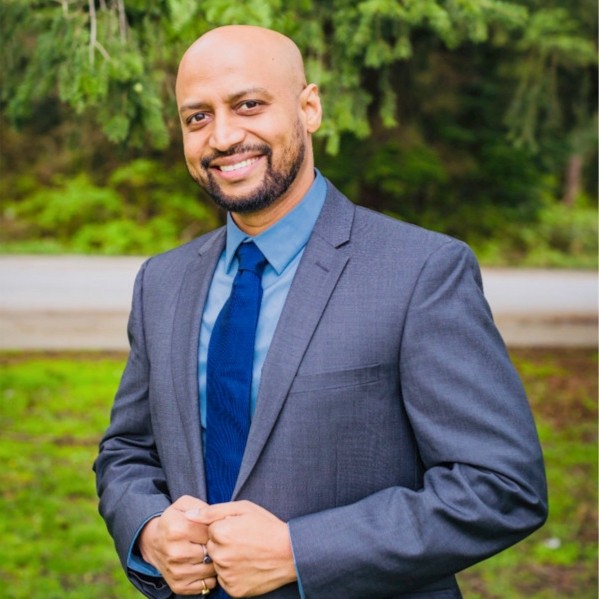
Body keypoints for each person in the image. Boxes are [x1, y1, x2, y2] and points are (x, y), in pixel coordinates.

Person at [94, 25, 547, 599]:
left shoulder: (422, 272)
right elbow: (126, 452)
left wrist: (299, 552)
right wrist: (150, 531)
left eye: (248, 105)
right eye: (198, 117)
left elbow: (501, 486)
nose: (223, 136)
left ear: (309, 108)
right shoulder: (162, 282)